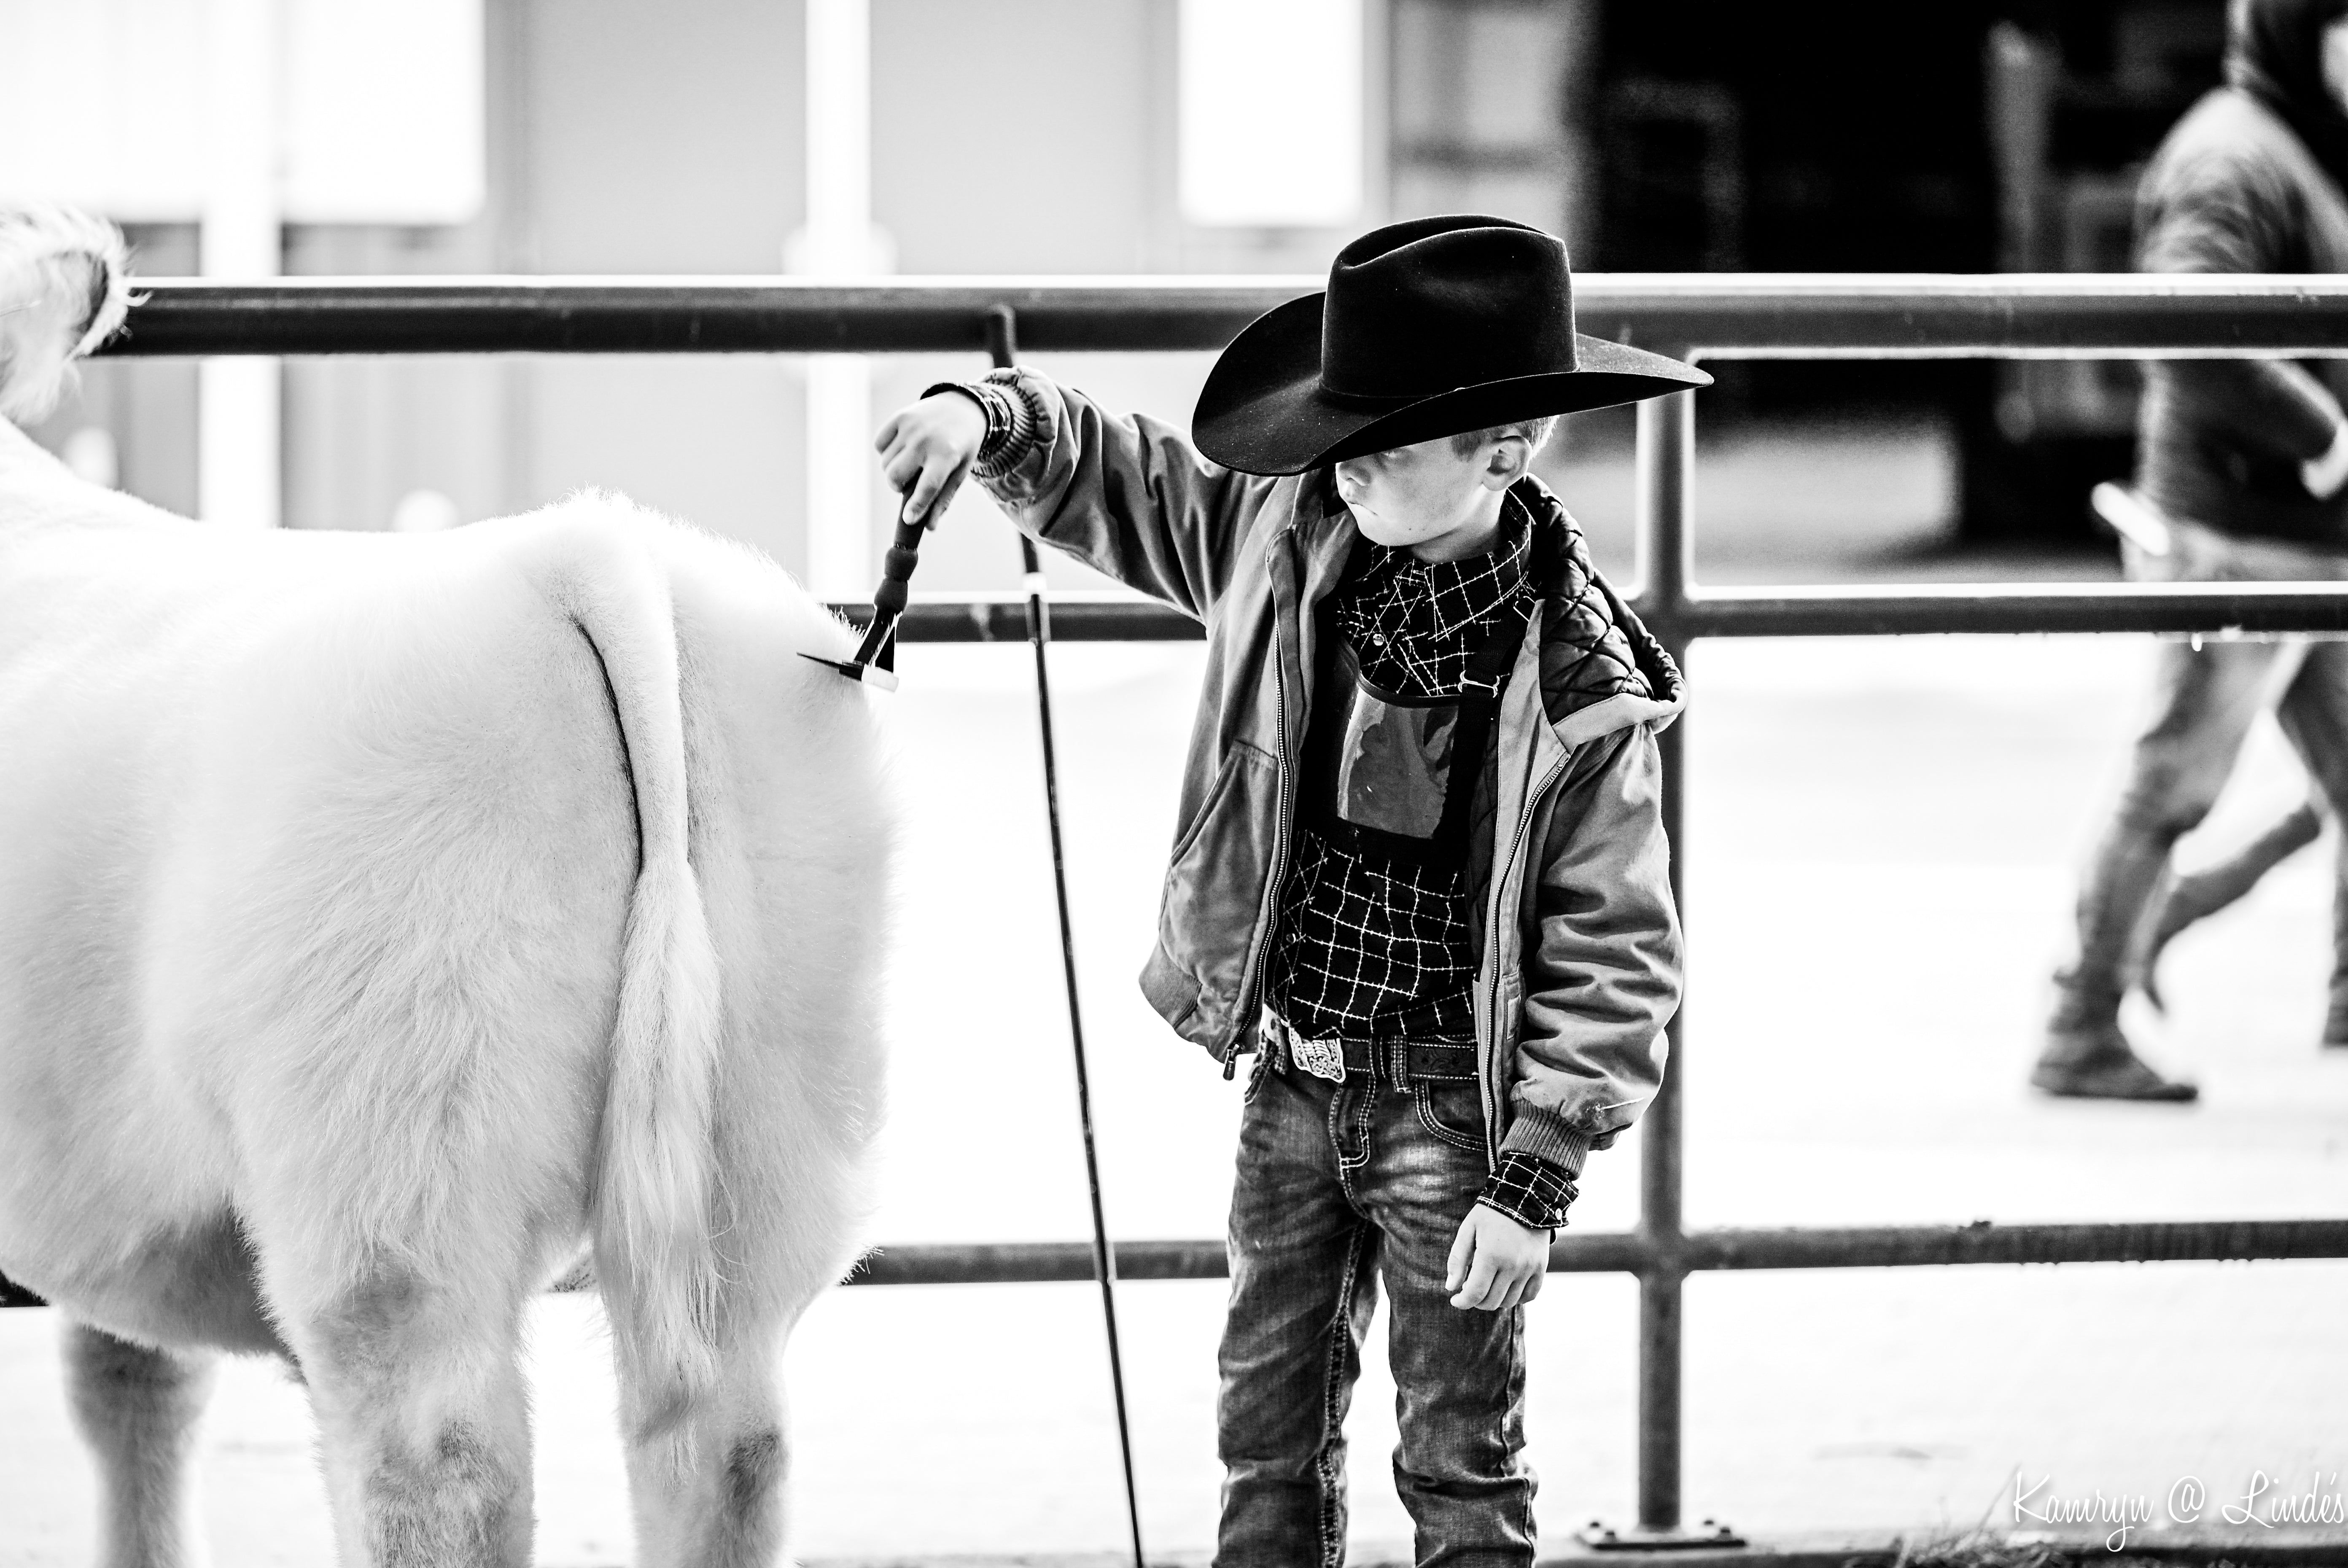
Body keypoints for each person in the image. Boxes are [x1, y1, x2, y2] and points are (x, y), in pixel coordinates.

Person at [875, 215, 1702, 1565]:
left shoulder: (1580, 689)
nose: (1346, 462)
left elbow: (1616, 946)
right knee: (1263, 1430)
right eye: (1340, 433)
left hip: (1455, 1111)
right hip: (1293, 1084)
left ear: (1505, 450)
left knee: (1462, 1458)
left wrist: (1535, 1178)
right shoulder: (1281, 539)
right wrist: (993, 417)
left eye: (1387, 442)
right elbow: (1133, 481)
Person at [2035, 0, 2348, 1103]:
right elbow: (2182, 323)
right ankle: (2079, 1026)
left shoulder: (2307, 149)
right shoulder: (2235, 157)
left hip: (2303, 547)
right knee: (2171, 780)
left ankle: (2314, 984)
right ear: (2301, 32)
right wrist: (2327, 437)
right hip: (2237, 543)